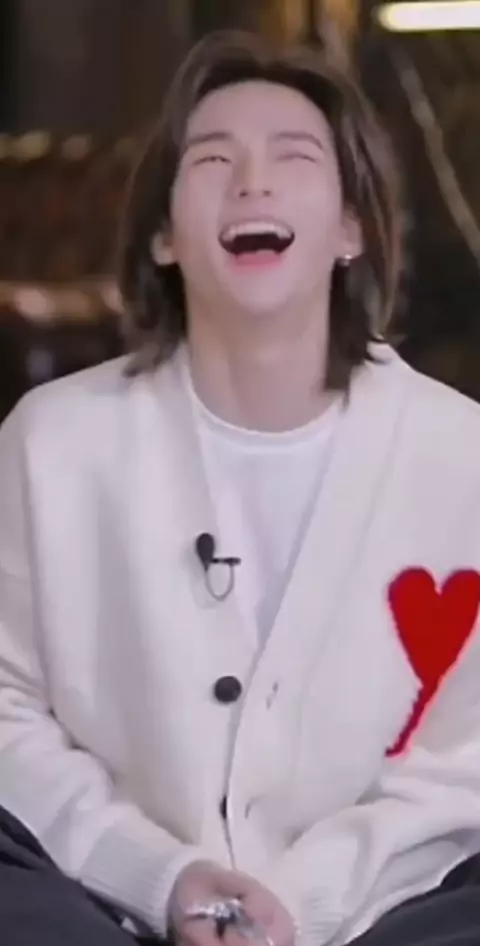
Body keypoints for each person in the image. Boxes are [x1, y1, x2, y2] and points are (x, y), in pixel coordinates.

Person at [1, 27, 480, 946]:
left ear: (351, 229)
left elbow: (465, 760)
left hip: (382, 909)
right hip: (95, 902)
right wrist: (161, 876)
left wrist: (300, 900)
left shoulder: (460, 454)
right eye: (213, 159)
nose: (253, 181)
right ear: (163, 236)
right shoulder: (49, 443)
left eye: (294, 157)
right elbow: (5, 709)